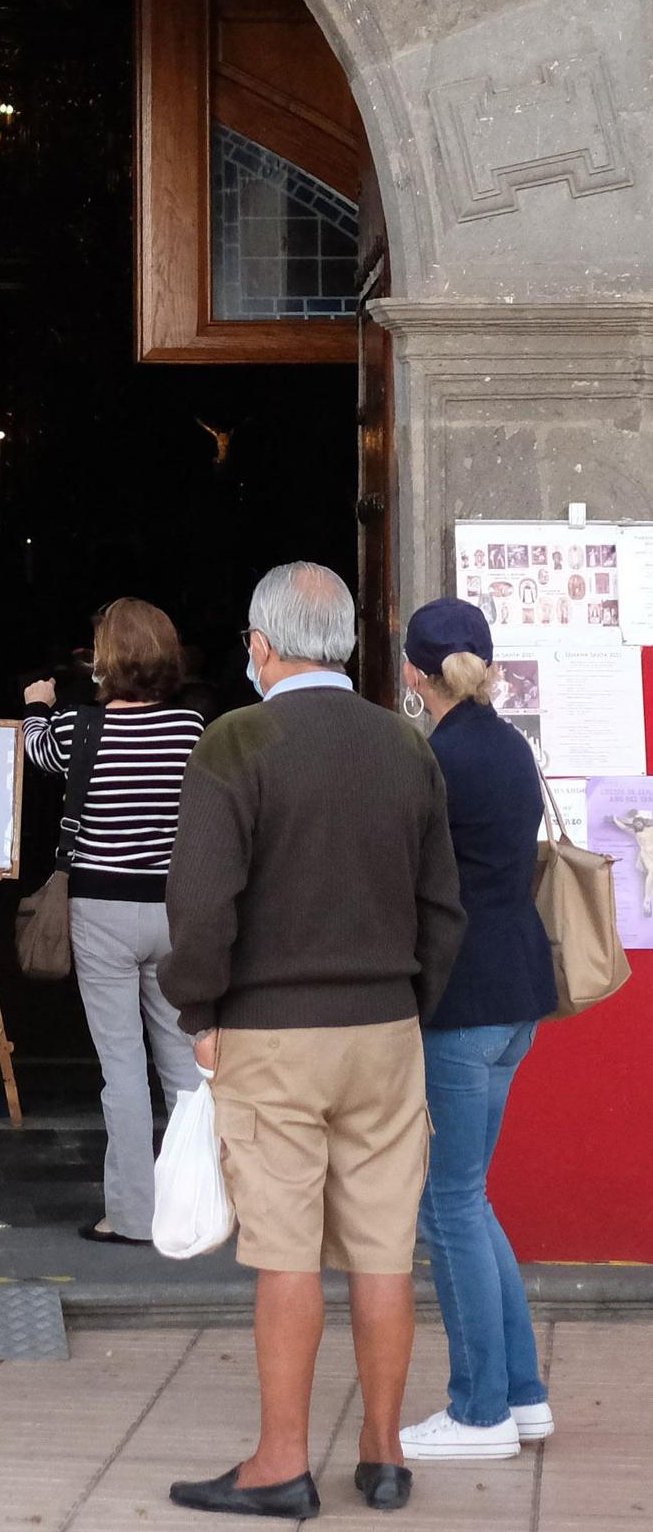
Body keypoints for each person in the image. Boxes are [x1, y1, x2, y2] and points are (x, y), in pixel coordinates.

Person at [159, 563, 464, 1520]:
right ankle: (382, 1456)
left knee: (286, 1250)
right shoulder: (404, 744)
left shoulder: (236, 741)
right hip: (384, 1030)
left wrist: (198, 1010)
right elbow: (442, 909)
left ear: (261, 643)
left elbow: (201, 905)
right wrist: (409, 1003)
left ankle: (281, 1464)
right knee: (383, 1249)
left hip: (272, 1032)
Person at [397, 599, 558, 1464]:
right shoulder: (508, 746)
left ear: (416, 674)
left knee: (448, 1204)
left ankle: (478, 1410)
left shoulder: (435, 760)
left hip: (460, 1001)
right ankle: (521, 1396)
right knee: (471, 1196)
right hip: (518, 990)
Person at [23, 598, 205, 1245]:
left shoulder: (77, 727)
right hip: (170, 908)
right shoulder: (190, 729)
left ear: (104, 659)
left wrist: (37, 702)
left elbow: (37, 752)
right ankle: (195, 1207)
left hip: (99, 909)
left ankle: (130, 1215)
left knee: (122, 1069)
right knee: (183, 1065)